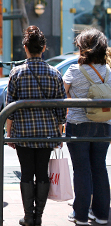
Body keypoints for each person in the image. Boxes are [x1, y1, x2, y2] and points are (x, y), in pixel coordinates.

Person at [6, 26, 66, 226]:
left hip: (22, 132)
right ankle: (38, 216)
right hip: (47, 133)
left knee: (26, 172)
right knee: (42, 172)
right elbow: (61, 108)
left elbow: (10, 108)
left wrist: (8, 133)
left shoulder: (17, 73)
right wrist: (59, 133)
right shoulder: (55, 73)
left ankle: (28, 216)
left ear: (25, 48)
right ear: (44, 48)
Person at [63, 28, 110, 225]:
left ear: (84, 48)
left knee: (81, 169)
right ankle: (101, 215)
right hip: (105, 124)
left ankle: (80, 215)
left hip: (78, 123)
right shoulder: (109, 71)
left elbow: (62, 94)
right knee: (99, 167)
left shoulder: (74, 70)